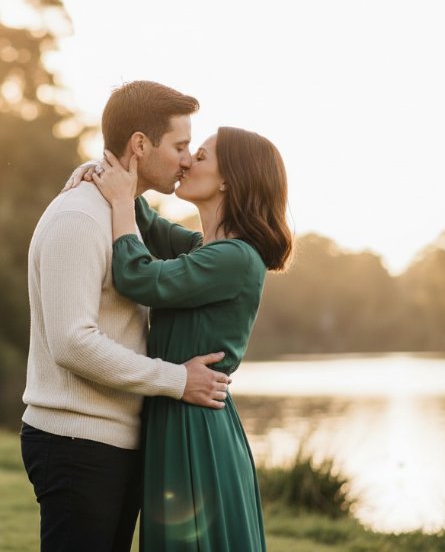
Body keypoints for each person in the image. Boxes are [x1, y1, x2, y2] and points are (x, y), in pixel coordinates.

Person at [20, 81, 234, 552]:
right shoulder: (78, 218)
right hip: (76, 443)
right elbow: (73, 342)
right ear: (140, 144)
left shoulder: (122, 216)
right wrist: (178, 380)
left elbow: (201, 252)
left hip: (113, 443)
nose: (185, 159)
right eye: (180, 146)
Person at [87, 126, 292, 551]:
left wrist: (123, 200)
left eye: (199, 156)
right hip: (180, 412)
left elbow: (136, 276)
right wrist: (115, 169)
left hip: (195, 424)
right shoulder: (208, 248)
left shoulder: (234, 258)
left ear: (227, 179)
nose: (186, 162)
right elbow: (152, 227)